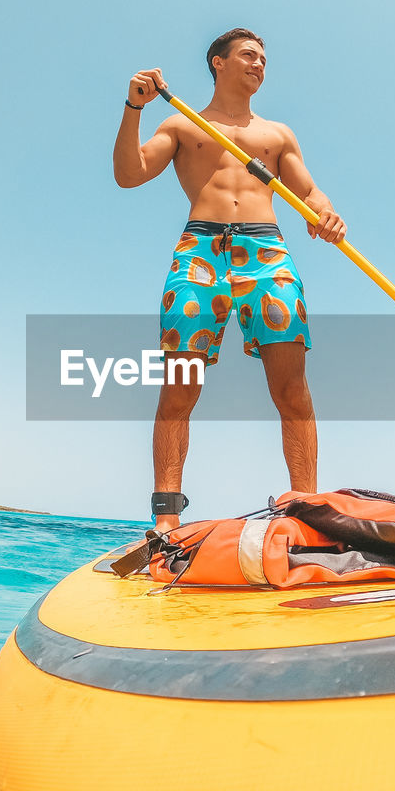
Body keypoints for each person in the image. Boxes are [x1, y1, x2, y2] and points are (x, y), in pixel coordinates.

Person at [113, 28, 346, 531]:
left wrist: (325, 215)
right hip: (201, 251)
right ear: (218, 63)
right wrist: (134, 108)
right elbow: (129, 173)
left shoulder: (278, 135)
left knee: (292, 389)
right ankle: (165, 523)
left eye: (264, 58)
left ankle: (307, 512)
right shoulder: (182, 124)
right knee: (179, 388)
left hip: (266, 252)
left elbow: (310, 192)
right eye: (248, 55)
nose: (259, 64)